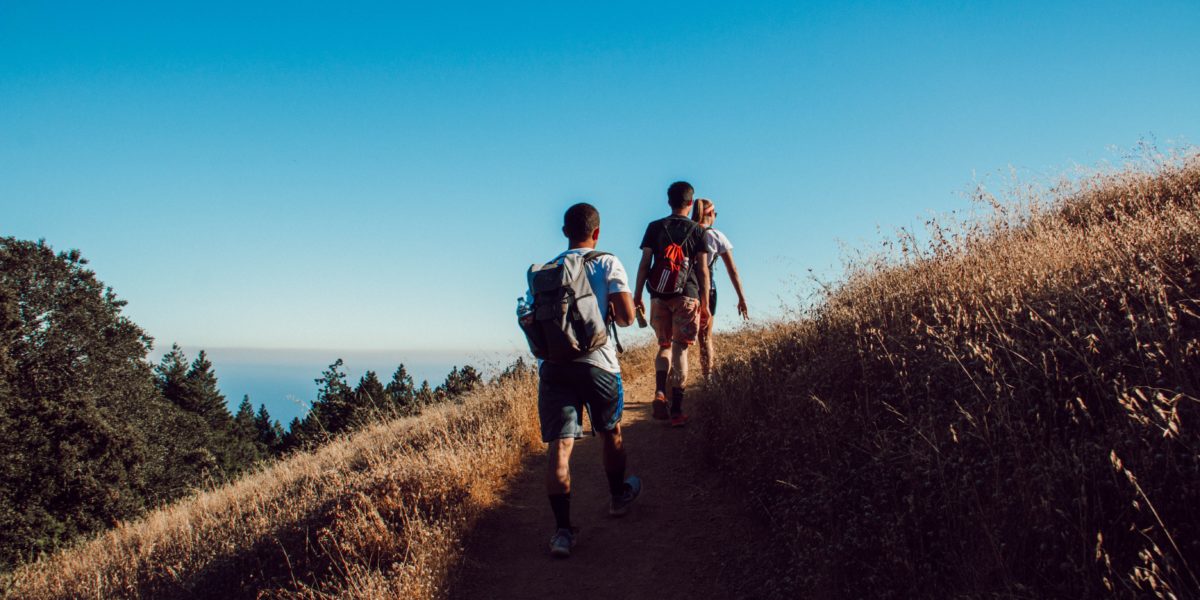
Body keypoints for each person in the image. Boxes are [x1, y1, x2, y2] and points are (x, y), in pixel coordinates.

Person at [523, 202, 642, 559]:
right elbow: (625, 319)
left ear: (564, 231)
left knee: (559, 449)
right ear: (597, 231)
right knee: (611, 431)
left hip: (556, 367)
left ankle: (562, 532)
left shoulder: (547, 271)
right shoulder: (608, 262)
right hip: (598, 365)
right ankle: (618, 497)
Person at [634, 181, 709, 427]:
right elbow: (703, 271)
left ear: (668, 201)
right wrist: (706, 304)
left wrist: (637, 296)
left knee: (664, 346)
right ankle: (677, 411)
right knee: (680, 350)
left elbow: (645, 263)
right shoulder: (698, 231)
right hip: (687, 295)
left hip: (658, 295)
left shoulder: (654, 227)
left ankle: (659, 391)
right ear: (691, 203)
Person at [690, 198, 749, 378]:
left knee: (679, 340)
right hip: (708, 289)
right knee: (705, 338)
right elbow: (732, 269)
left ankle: (675, 383)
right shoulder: (716, 236)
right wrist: (741, 297)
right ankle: (707, 379)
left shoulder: (687, 231)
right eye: (715, 214)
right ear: (709, 214)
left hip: (685, 288)